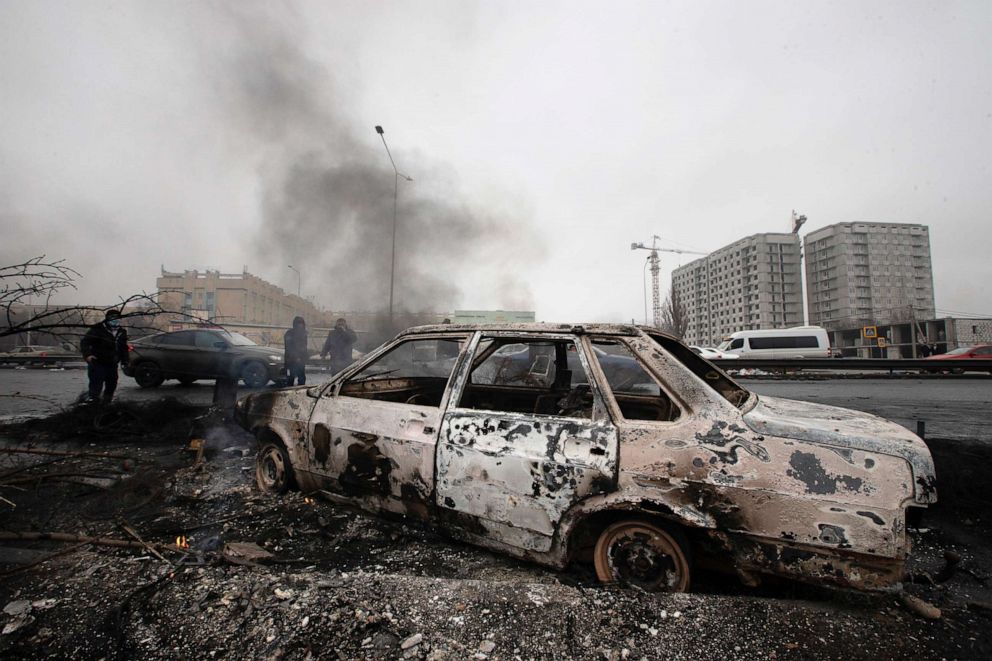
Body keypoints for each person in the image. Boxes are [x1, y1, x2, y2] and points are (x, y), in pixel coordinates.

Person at [80, 309, 128, 404]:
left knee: (112, 384)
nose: (115, 320)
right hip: (98, 362)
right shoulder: (98, 329)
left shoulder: (121, 332)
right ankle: (93, 403)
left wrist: (125, 361)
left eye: (117, 318)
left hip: (112, 363)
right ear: (107, 319)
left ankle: (107, 403)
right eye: (112, 318)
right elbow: (85, 342)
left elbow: (123, 347)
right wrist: (88, 355)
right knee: (96, 385)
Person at [283, 316, 309, 386]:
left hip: (301, 360)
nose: (300, 325)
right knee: (291, 377)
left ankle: (300, 392)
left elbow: (304, 346)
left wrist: (304, 356)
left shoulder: (304, 333)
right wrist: (295, 357)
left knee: (301, 378)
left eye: (301, 323)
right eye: (298, 323)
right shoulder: (289, 333)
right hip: (291, 360)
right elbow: (288, 347)